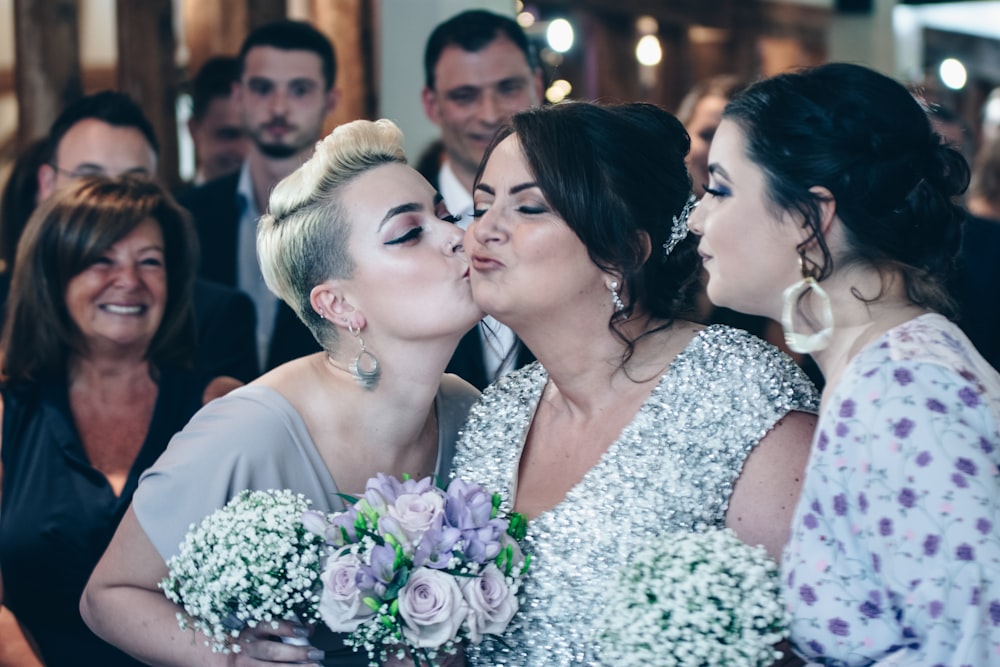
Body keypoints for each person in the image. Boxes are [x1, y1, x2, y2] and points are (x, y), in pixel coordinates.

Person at [81, 119, 481, 667]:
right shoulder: (249, 432)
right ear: (338, 305)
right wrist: (231, 657)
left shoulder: (467, 411)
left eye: (444, 215)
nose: (459, 236)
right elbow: (107, 598)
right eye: (410, 234)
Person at [450, 101, 819, 666]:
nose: (486, 229)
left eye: (528, 207)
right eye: (482, 205)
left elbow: (804, 642)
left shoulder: (739, 391)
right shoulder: (497, 414)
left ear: (621, 253)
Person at [687, 62, 1000, 665]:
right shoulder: (874, 371)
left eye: (720, 190)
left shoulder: (904, 389)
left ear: (810, 217)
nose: (698, 216)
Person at [0, 175, 239, 667]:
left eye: (149, 261)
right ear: (54, 274)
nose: (129, 281)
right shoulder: (7, 412)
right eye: (101, 259)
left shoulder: (220, 408)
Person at [31, 90, 259, 382]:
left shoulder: (214, 316)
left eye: (133, 183)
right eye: (90, 181)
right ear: (47, 184)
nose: (113, 204)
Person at [179, 20, 339, 373]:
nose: (279, 108)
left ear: (330, 99)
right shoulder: (187, 215)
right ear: (238, 95)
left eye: (299, 90)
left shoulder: (353, 216)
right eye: (263, 88)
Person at [420, 8, 543, 390]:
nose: (491, 114)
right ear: (431, 105)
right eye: (464, 96)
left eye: (508, 88)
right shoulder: (394, 232)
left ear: (537, 84)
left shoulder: (583, 212)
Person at [186, 55, 248, 186]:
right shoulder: (173, 205)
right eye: (229, 135)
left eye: (253, 136)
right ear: (194, 131)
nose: (245, 150)